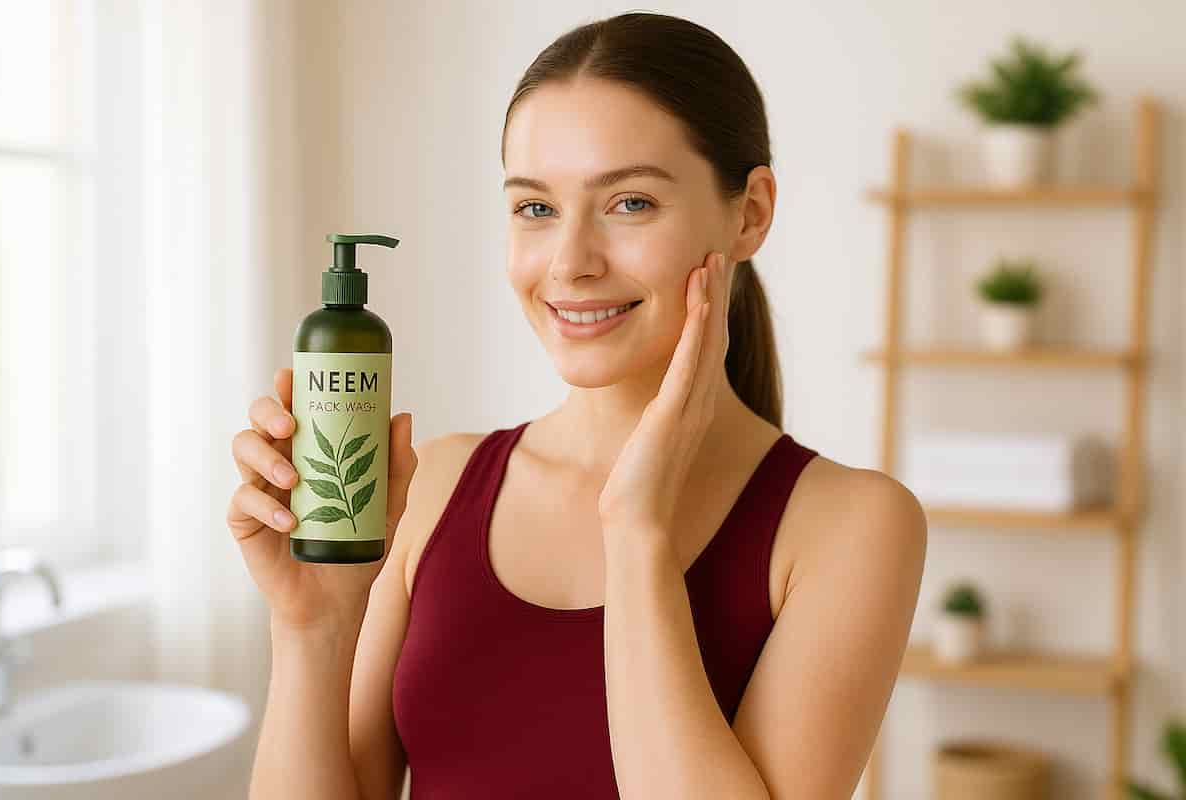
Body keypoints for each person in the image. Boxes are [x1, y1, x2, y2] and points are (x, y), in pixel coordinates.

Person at [228, 11, 926, 800]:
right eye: (535, 208)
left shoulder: (850, 526)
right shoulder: (435, 483)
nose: (570, 264)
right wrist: (312, 627)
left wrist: (638, 532)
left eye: (630, 203)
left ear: (750, 212)